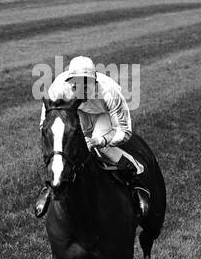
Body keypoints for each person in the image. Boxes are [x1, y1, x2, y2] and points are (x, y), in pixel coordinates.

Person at [35, 55, 151, 219]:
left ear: (93, 81)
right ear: (69, 80)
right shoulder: (58, 89)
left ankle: (135, 178)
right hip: (76, 112)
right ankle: (51, 185)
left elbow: (124, 131)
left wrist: (100, 140)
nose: (79, 88)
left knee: (102, 147)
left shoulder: (110, 91)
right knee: (66, 147)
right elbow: (45, 125)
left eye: (85, 83)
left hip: (103, 115)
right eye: (75, 83)